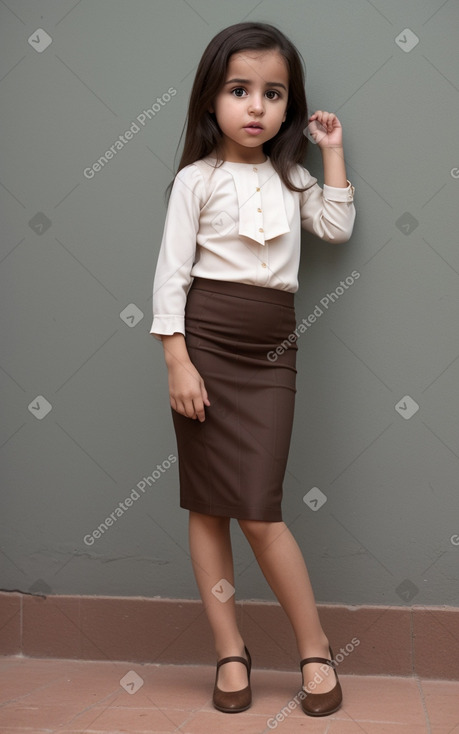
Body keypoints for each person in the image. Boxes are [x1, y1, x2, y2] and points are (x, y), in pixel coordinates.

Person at [150, 21, 356, 716]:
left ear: (287, 106)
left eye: (272, 93)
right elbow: (170, 279)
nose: (255, 106)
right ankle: (229, 650)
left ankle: (314, 650)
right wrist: (177, 361)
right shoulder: (195, 180)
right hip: (204, 344)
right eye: (239, 90)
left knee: (260, 512)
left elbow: (333, 227)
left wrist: (331, 154)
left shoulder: (290, 175)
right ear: (211, 99)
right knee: (208, 504)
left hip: (271, 351)